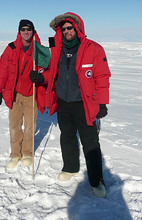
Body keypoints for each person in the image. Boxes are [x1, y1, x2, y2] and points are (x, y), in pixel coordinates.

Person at [30, 12, 111, 198]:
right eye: (64, 28)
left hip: (84, 103)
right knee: (66, 136)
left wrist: (103, 103)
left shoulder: (93, 49)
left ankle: (96, 180)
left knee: (90, 142)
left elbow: (102, 77)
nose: (67, 31)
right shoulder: (58, 50)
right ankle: (71, 167)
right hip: (64, 102)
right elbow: (53, 74)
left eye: (70, 28)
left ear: (77, 28)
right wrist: (42, 77)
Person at [0, 19, 46, 171]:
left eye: (28, 29)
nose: (26, 32)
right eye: (23, 29)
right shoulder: (11, 48)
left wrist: (39, 75)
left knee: (30, 126)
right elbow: (3, 69)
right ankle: (15, 154)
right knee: (15, 126)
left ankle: (27, 153)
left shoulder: (39, 49)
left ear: (33, 30)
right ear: (19, 31)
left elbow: (46, 69)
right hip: (14, 94)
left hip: (31, 93)